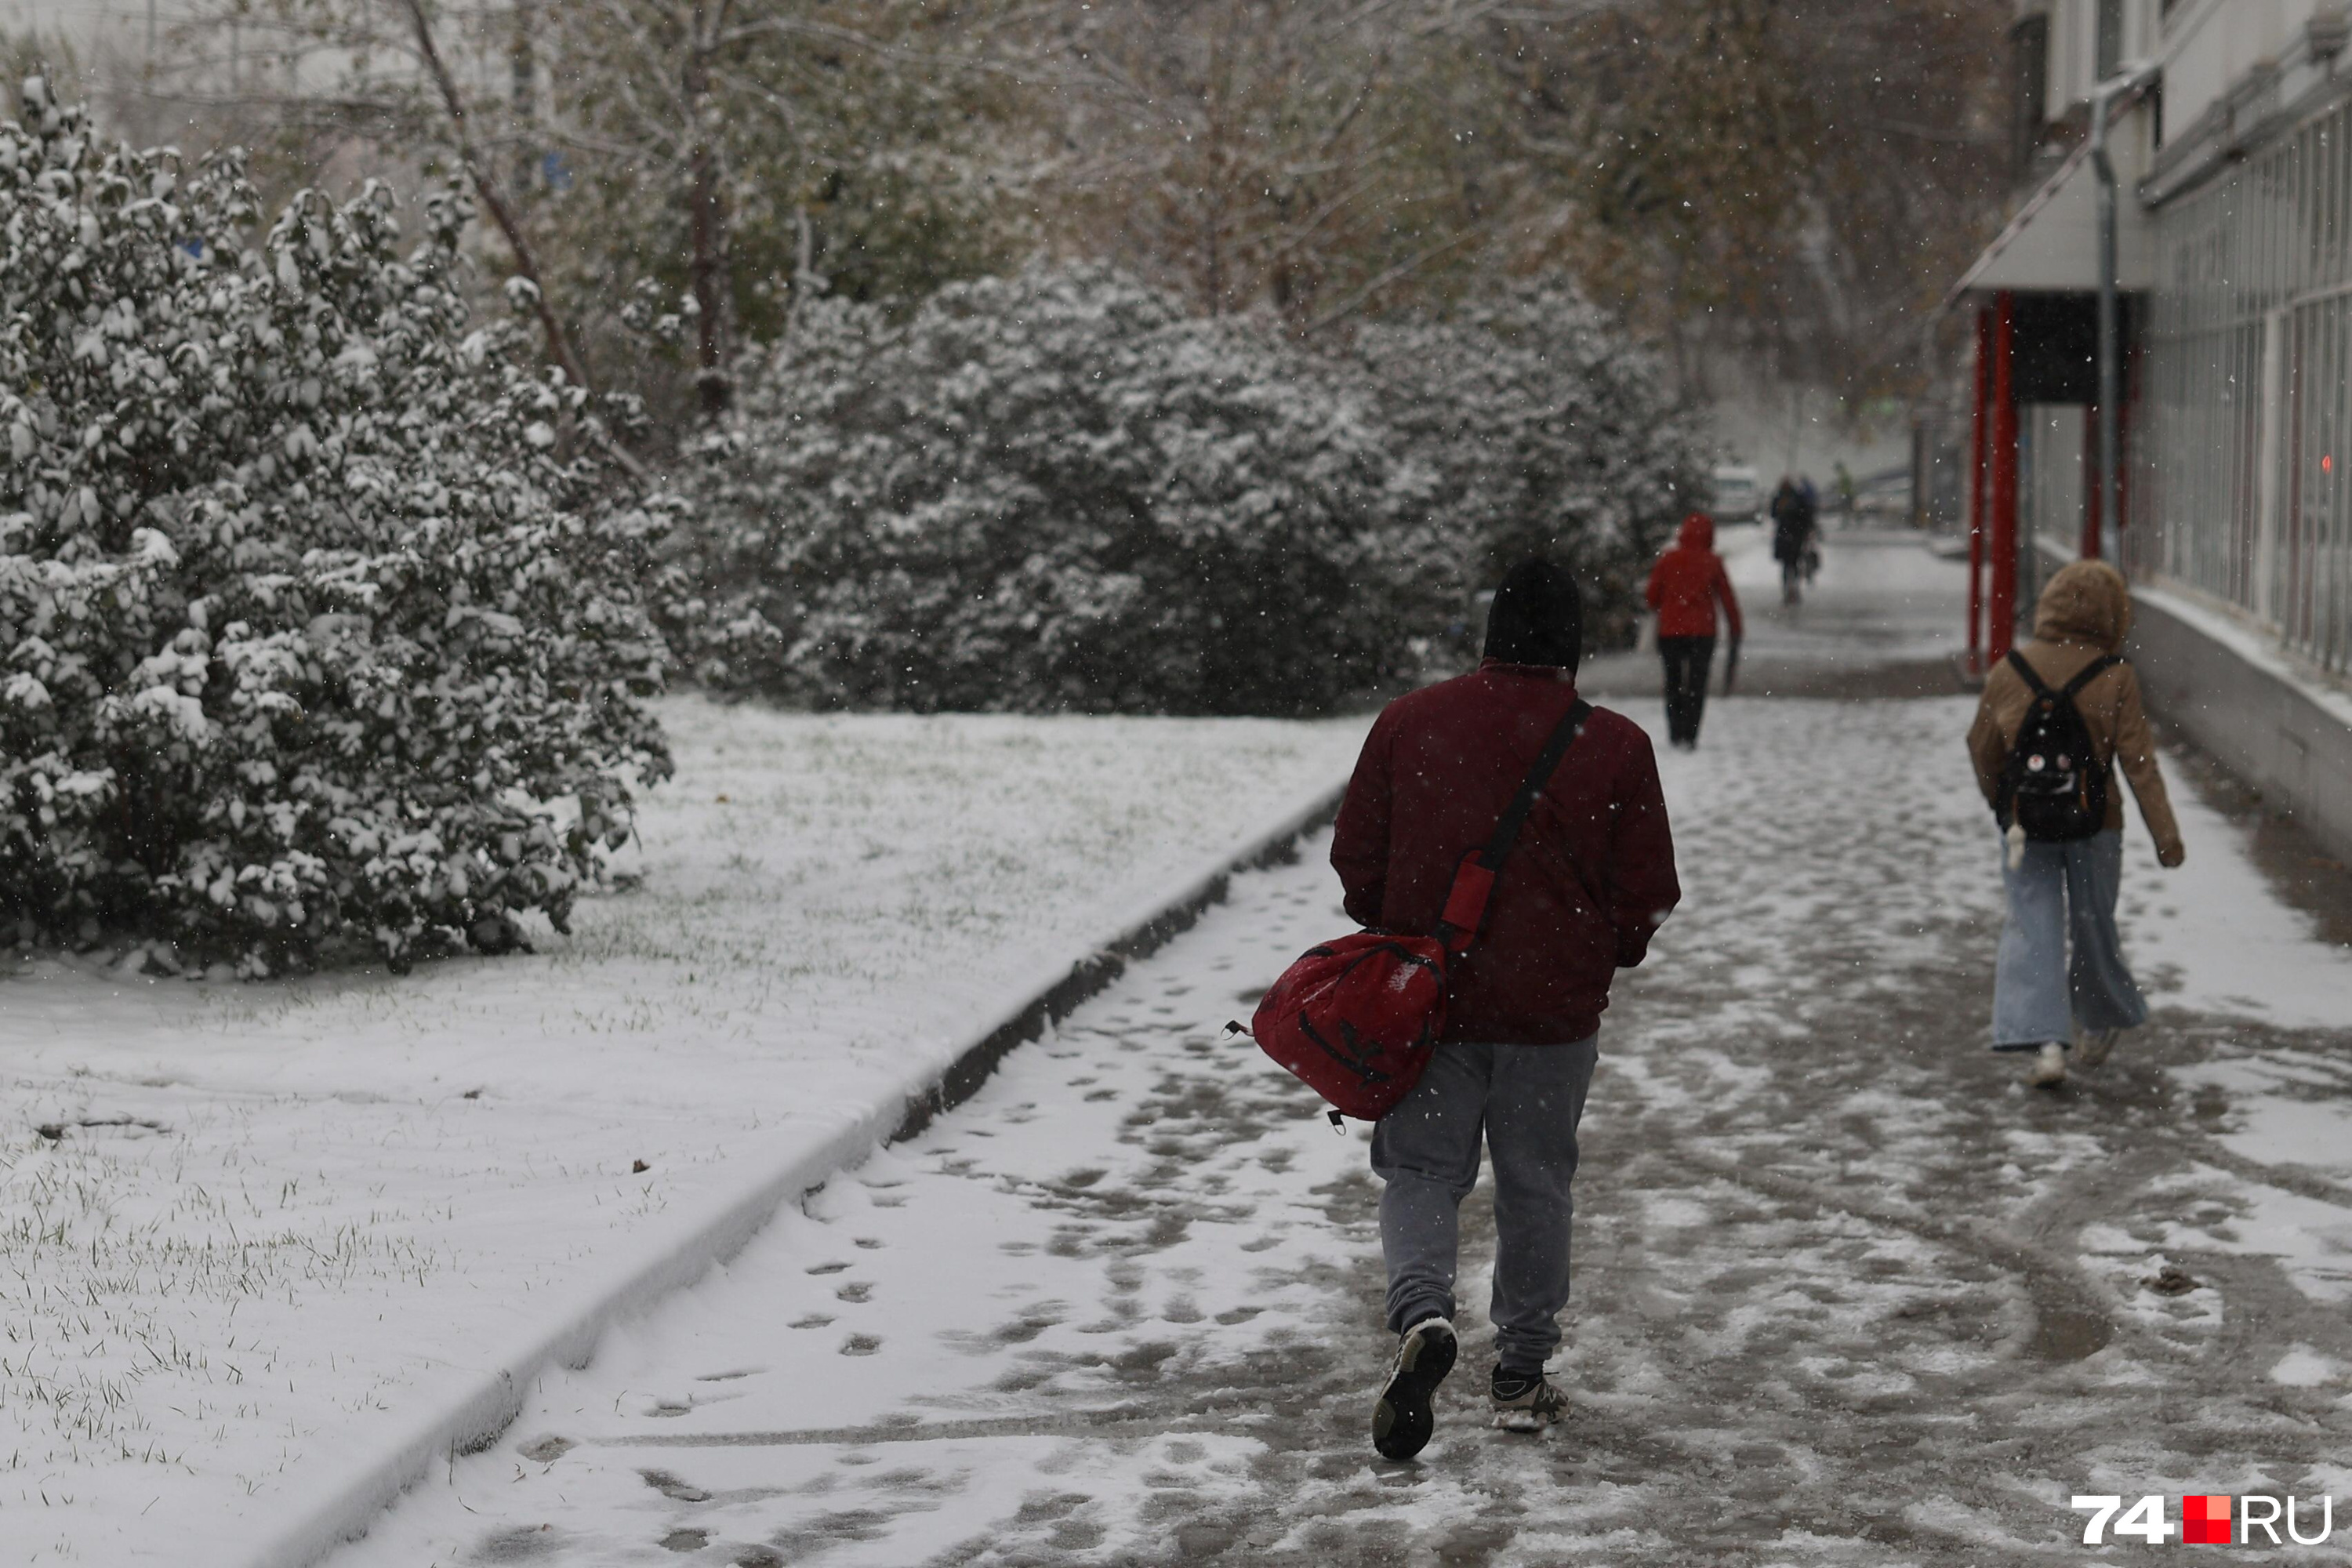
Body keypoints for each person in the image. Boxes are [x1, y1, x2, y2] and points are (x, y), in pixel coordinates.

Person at [1331, 559, 1680, 1459]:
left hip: (1433, 1002)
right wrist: (1597, 954)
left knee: (1420, 1172)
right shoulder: (1614, 745)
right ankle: (1521, 1373)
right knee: (1537, 1186)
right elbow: (1648, 890)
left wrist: (1402, 930)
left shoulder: (1411, 723)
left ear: (1489, 634)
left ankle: (1422, 1312)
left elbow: (1356, 858)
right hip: (1550, 1017)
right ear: (1572, 649)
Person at [1965, 560, 2186, 1088]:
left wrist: (2004, 802)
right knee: (2093, 923)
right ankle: (2099, 1018)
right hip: (2096, 823)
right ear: (2111, 614)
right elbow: (2139, 763)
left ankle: (2043, 1042)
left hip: (2028, 825)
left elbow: (1982, 748)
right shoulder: (2115, 676)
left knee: (2031, 924)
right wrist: (2166, 834)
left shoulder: (2010, 669)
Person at [1643, 511, 1744, 750]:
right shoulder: (1712, 562)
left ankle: (1676, 731)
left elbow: (1651, 597)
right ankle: (1691, 734)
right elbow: (1728, 599)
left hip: (1670, 632)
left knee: (1673, 682)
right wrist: (1735, 628)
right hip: (1703, 632)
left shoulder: (1668, 560)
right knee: (1697, 685)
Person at [1769, 477, 1817, 604]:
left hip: (1792, 536)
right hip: (1789, 536)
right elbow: (1774, 514)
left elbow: (1805, 516)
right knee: (1789, 565)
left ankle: (1791, 590)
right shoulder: (1784, 498)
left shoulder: (1793, 498)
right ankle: (1790, 590)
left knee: (1791, 564)